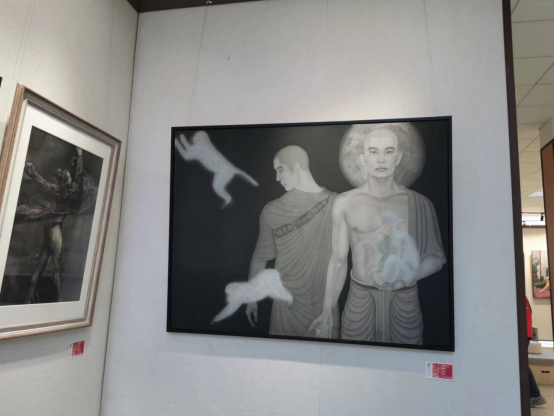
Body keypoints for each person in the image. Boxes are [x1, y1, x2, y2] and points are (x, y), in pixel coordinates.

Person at [311, 128, 445, 344]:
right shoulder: (344, 202)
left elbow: (437, 258)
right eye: (373, 152)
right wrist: (327, 310)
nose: (381, 159)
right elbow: (338, 260)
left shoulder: (420, 203)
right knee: (354, 359)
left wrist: (406, 277)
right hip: (360, 299)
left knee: (407, 360)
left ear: (398, 157)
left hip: (404, 300)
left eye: (388, 151)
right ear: (362, 158)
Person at [245, 145, 340, 338]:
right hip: (286, 308)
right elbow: (260, 258)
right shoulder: (272, 211)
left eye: (280, 169)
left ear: (296, 166)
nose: (277, 177)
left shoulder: (336, 203)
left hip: (325, 307)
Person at [16, 147, 98, 303]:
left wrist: (32, 172)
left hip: (48, 229)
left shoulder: (54, 190)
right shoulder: (69, 195)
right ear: (67, 182)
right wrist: (80, 155)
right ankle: (60, 300)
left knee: (40, 267)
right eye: (70, 178)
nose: (72, 180)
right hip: (55, 232)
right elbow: (78, 176)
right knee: (56, 268)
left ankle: (27, 300)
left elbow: (41, 182)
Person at [527, 297, 547, 408]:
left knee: (520, 364)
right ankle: (534, 395)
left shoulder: (518, 296)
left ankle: (535, 395)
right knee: (520, 364)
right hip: (524, 333)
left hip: (522, 334)